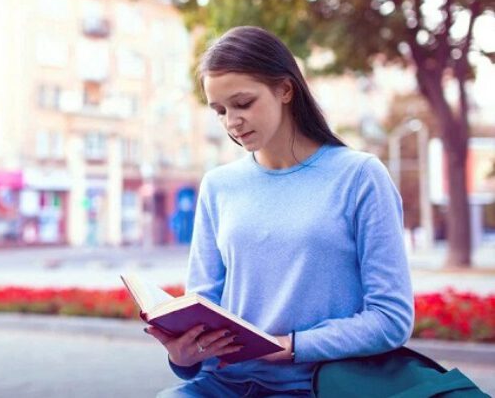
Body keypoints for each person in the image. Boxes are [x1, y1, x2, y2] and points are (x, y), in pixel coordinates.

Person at [145, 26, 414, 397]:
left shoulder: (360, 177)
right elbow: (203, 305)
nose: (231, 122)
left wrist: (294, 346)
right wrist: (185, 355)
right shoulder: (218, 186)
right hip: (225, 384)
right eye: (219, 110)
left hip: (318, 385)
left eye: (243, 103)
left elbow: (391, 318)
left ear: (285, 90)